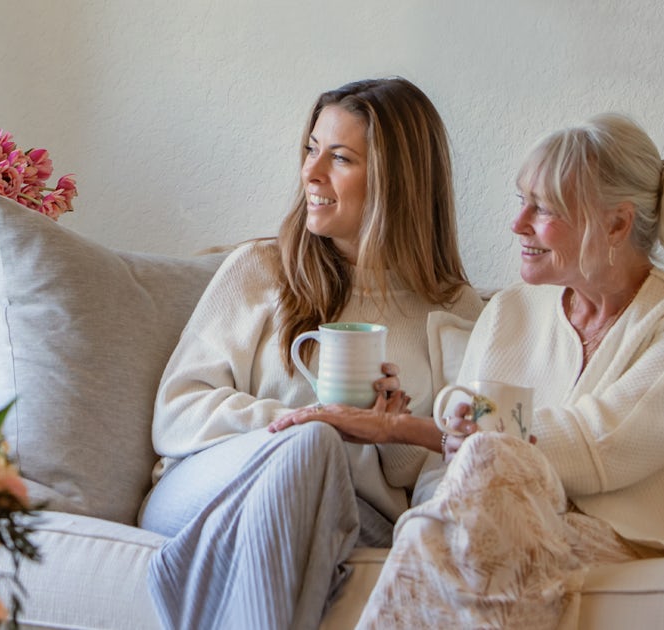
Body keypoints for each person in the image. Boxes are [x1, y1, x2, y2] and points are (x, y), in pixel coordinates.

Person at [339, 114, 664, 628]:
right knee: (437, 521)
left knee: (486, 465)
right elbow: (452, 463)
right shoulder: (509, 313)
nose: (518, 223)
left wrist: (413, 429)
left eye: (542, 208)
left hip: (619, 536)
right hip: (494, 520)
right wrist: (433, 439)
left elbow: (606, 440)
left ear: (616, 223)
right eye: (520, 200)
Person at [142, 77, 482, 630]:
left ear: (398, 183)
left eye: (340, 157)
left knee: (319, 451)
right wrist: (314, 424)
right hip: (207, 489)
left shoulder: (455, 310)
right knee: (314, 443)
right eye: (310, 148)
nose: (311, 172)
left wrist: (388, 431)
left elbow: (442, 467)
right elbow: (176, 413)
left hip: (353, 513)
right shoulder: (260, 270)